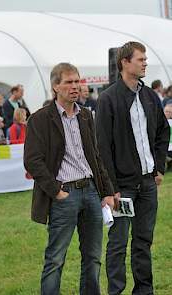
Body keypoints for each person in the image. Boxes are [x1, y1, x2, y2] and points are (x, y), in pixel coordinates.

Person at [24, 62, 114, 295]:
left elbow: (95, 156)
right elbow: (33, 161)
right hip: (65, 194)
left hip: (91, 192)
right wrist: (56, 191)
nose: (76, 86)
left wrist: (105, 190)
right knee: (55, 259)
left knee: (93, 257)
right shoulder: (40, 119)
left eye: (78, 81)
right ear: (55, 86)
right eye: (69, 82)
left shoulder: (86, 115)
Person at [95, 41, 170, 295]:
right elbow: (102, 147)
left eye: (145, 59)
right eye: (140, 59)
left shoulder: (150, 96)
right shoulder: (108, 99)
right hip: (122, 188)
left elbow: (163, 131)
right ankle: (115, 291)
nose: (145, 63)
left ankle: (144, 291)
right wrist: (111, 188)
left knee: (143, 242)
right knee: (117, 243)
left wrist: (159, 167)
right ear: (125, 62)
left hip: (148, 184)